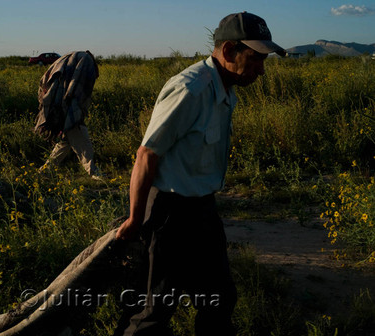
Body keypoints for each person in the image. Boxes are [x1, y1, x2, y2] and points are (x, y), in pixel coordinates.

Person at [114, 12, 285, 335]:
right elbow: (147, 154)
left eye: (264, 61)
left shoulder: (226, 88)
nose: (261, 69)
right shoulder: (191, 89)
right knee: (154, 307)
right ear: (229, 51)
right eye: (256, 59)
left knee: (219, 298)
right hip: (168, 212)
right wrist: (136, 220)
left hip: (202, 209)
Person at [34, 50, 102, 179]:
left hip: (61, 106)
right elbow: (78, 88)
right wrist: (76, 110)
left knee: (65, 142)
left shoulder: (71, 59)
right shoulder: (85, 62)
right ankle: (94, 172)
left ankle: (45, 171)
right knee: (82, 138)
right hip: (68, 109)